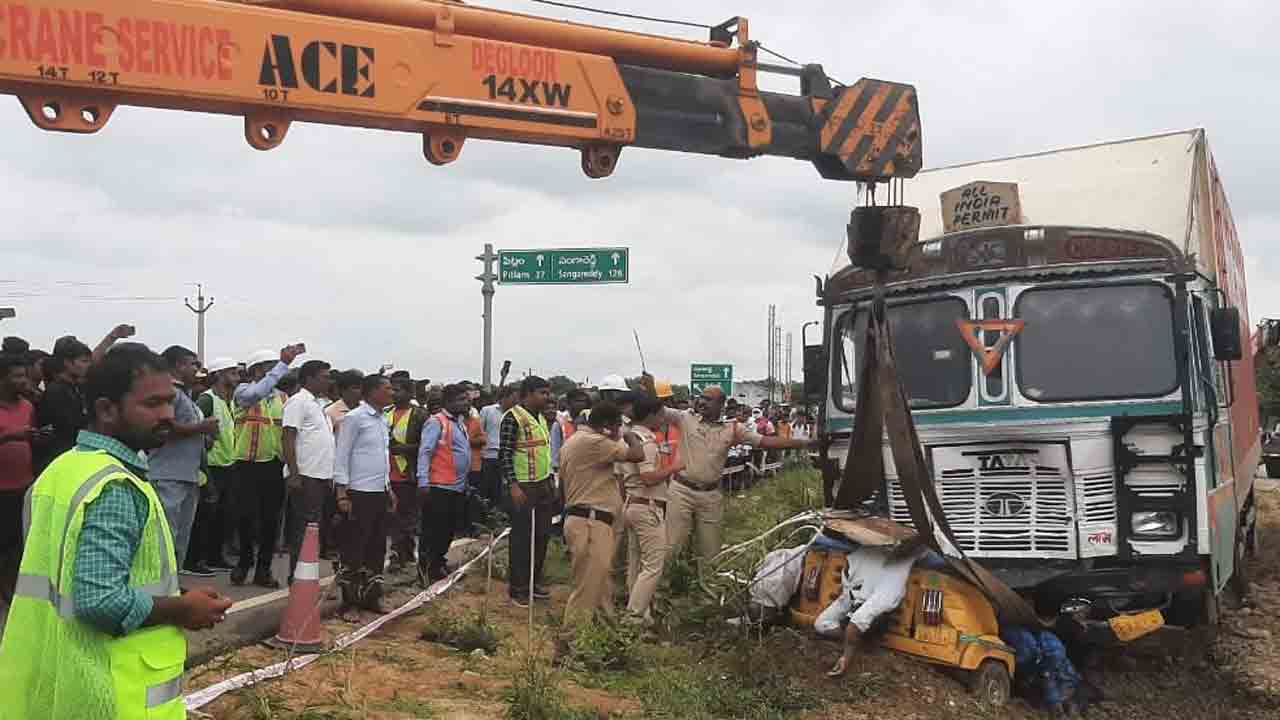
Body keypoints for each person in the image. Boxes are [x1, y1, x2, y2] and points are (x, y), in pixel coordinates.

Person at [0, 343, 232, 720]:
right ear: (107, 410)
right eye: (152, 404)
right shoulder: (115, 487)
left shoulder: (62, 470)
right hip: (110, 691)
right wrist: (183, 609)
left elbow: (71, 573)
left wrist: (178, 591)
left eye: (170, 402)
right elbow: (98, 601)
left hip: (56, 676)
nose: (168, 415)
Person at [661, 385, 810, 566]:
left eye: (708, 399)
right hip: (681, 492)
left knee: (711, 553)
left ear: (721, 405)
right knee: (672, 547)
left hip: (711, 496)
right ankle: (668, 586)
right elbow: (654, 408)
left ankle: (707, 587)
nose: (701, 402)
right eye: (701, 398)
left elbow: (765, 441)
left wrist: (804, 443)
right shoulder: (684, 418)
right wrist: (649, 388)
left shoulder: (733, 429)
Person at [558, 401, 646, 623]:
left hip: (586, 521)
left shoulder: (575, 441)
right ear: (607, 426)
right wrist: (631, 436)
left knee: (599, 583)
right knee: (587, 589)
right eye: (617, 425)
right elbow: (637, 455)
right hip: (591, 522)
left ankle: (604, 631)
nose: (618, 430)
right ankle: (572, 642)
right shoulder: (595, 442)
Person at [230, 344, 305, 588]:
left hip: (273, 466)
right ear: (257, 370)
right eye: (272, 368)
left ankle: (263, 569)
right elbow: (254, 395)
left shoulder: (283, 399)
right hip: (246, 464)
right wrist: (283, 364)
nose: (278, 373)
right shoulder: (243, 391)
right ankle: (243, 563)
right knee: (245, 518)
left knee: (271, 521)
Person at [150, 346, 221, 578]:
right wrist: (201, 428)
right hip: (168, 474)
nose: (196, 370)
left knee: (180, 538)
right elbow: (164, 428)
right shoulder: (168, 392)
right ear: (179, 365)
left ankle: (172, 584)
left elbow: (190, 433)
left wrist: (205, 437)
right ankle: (160, 589)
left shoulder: (185, 396)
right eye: (193, 364)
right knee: (165, 537)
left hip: (188, 475)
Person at [333, 374, 397, 613]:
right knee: (354, 548)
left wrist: (388, 487)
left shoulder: (382, 420)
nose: (392, 393)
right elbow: (341, 455)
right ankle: (349, 602)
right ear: (372, 392)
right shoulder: (354, 419)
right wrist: (341, 492)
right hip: (358, 493)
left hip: (378, 492)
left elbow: (381, 457)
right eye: (388, 388)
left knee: (377, 547)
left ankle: (372, 597)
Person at [621, 395, 685, 624]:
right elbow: (648, 477)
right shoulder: (645, 442)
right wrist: (673, 468)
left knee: (636, 564)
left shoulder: (630, 437)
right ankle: (634, 617)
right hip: (647, 507)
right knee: (653, 566)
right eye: (661, 415)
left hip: (632, 504)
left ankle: (639, 612)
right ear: (651, 415)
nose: (663, 419)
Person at [499, 376, 556, 607]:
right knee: (522, 538)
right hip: (523, 486)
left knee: (542, 535)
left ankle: (533, 582)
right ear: (529, 393)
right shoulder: (513, 418)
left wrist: (550, 480)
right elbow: (504, 454)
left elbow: (544, 451)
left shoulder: (540, 418)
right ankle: (518, 588)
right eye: (542, 393)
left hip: (543, 483)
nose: (547, 397)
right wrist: (513, 485)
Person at [281, 359, 335, 584]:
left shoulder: (317, 404)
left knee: (314, 529)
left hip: (321, 476)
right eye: (324, 376)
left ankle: (306, 576)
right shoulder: (298, 401)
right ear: (310, 378)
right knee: (304, 530)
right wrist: (294, 473)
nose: (328, 380)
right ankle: (298, 577)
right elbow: (288, 436)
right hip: (306, 475)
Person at [0, 353, 46, 603]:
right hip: (1, 486)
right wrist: (10, 437)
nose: (23, 381)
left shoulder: (28, 406)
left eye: (24, 376)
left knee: (18, 540)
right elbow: (14, 435)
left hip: (23, 482)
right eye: (17, 376)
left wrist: (36, 437)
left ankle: (10, 584)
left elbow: (29, 436)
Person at [416, 384, 473, 583]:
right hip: (439, 486)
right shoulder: (436, 422)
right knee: (433, 530)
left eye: (466, 399)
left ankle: (438, 563)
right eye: (461, 399)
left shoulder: (459, 423)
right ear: (448, 402)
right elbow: (425, 452)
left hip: (456, 486)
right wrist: (423, 481)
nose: (466, 403)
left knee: (447, 529)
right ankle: (426, 570)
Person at [385, 376, 428, 572]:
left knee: (406, 516)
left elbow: (427, 446)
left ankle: (403, 553)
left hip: (407, 473)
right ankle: (398, 552)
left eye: (398, 390)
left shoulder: (420, 415)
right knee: (393, 516)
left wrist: (404, 449)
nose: (393, 393)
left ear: (409, 393)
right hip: (386, 473)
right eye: (391, 389)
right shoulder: (385, 413)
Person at [34, 337, 93, 472]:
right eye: (83, 361)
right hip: (58, 461)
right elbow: (67, 428)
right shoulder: (56, 391)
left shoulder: (75, 388)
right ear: (67, 363)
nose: (87, 365)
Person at [479, 384, 517, 515]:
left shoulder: (515, 414)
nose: (515, 402)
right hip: (489, 456)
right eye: (513, 398)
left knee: (502, 490)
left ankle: (500, 516)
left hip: (507, 457)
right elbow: (481, 430)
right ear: (504, 398)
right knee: (487, 489)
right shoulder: (487, 410)